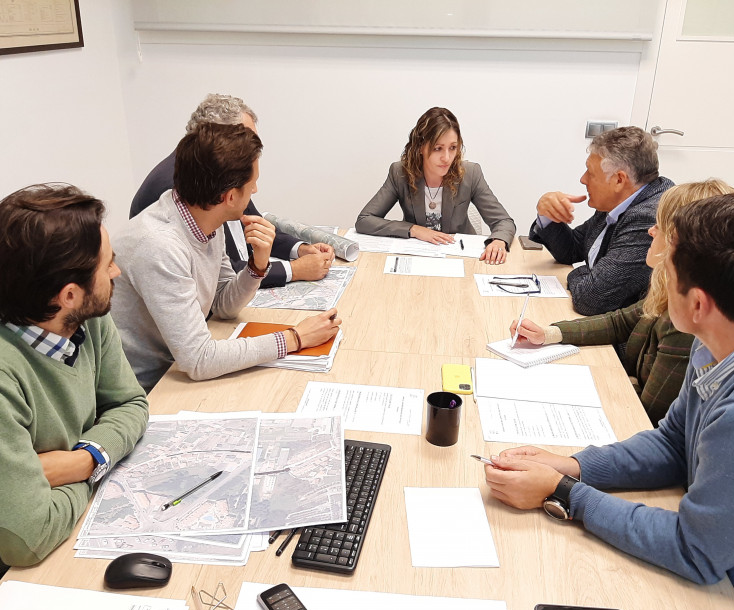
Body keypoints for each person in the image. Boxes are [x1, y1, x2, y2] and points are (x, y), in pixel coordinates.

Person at [485, 193, 734, 610]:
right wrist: (573, 465)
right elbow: (671, 444)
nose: (659, 272)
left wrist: (563, 493)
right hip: (727, 569)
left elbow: (694, 550)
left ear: (698, 304)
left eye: (670, 269)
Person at [0, 184, 149, 610]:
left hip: (67, 520)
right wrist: (95, 469)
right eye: (109, 265)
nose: (117, 273)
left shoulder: (85, 315)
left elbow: (130, 402)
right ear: (67, 294)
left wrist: (83, 461)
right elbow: (29, 538)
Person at [111, 122, 341, 391]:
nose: (255, 190)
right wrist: (295, 338)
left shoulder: (205, 217)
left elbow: (223, 305)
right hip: (148, 389)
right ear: (230, 196)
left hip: (176, 368)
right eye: (253, 183)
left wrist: (258, 264)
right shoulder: (159, 246)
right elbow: (199, 360)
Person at [513, 180, 734, 427]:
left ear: (685, 245)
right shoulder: (668, 288)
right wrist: (549, 333)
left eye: (659, 225)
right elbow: (621, 320)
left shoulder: (688, 323)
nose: (651, 231)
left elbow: (646, 418)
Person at [129, 94, 334, 288]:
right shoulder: (178, 185)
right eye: (245, 140)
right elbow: (216, 276)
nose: (255, 150)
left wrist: (300, 249)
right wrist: (294, 270)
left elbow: (253, 225)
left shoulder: (221, 172)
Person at [529, 126, 674, 315]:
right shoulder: (620, 201)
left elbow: (591, 299)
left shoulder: (648, 218)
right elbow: (572, 250)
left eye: (590, 172)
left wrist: (579, 272)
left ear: (619, 180)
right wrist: (547, 215)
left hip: (619, 339)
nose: (583, 179)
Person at [355, 107, 516, 265]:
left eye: (452, 148)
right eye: (438, 148)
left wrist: (498, 240)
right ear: (420, 147)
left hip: (461, 258)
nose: (446, 158)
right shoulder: (400, 173)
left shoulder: (470, 173)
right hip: (418, 258)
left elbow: (503, 221)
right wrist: (414, 229)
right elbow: (365, 220)